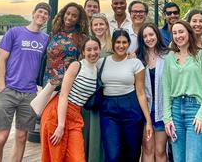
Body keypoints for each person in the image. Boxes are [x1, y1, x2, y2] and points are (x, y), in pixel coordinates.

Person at [0, 2, 51, 162]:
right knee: (1, 137)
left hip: (29, 94)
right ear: (33, 13)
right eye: (40, 12)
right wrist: (2, 87)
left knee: (22, 137)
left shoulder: (46, 39)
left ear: (47, 18)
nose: (42, 15)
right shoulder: (14, 32)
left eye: (45, 14)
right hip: (9, 90)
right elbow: (1, 60)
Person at [162, 20, 202, 162]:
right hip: (175, 112)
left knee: (195, 159)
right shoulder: (169, 58)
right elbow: (166, 89)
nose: (178, 35)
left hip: (196, 110)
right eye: (174, 33)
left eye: (181, 32)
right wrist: (167, 118)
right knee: (178, 159)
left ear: (189, 33)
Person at [40, 37, 101, 162]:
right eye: (88, 49)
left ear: (100, 50)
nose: (92, 53)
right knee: (56, 157)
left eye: (96, 49)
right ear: (83, 52)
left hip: (75, 116)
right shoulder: (76, 65)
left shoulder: (98, 71)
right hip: (57, 113)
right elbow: (63, 95)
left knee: (77, 158)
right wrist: (61, 125)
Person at [99, 29, 153, 162]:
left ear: (129, 43)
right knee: (112, 155)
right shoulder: (102, 62)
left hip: (131, 109)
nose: (121, 45)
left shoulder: (135, 63)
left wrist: (148, 121)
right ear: (112, 43)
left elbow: (140, 93)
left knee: (132, 153)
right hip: (108, 111)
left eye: (124, 42)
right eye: (118, 42)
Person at [136, 23, 169, 162]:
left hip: (163, 109)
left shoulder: (168, 55)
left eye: (151, 34)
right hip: (145, 110)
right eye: (145, 36)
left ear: (157, 35)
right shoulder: (137, 58)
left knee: (160, 150)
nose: (149, 38)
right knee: (148, 149)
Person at [83, 13, 112, 162]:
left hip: (106, 97)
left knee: (102, 134)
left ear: (106, 25)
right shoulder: (87, 45)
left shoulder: (113, 47)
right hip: (89, 97)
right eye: (96, 25)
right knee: (88, 134)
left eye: (102, 24)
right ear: (92, 27)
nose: (99, 27)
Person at [43, 2, 89, 91]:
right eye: (68, 13)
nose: (69, 17)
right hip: (48, 81)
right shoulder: (53, 34)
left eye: (74, 16)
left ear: (78, 20)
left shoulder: (82, 38)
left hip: (68, 84)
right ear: (64, 14)